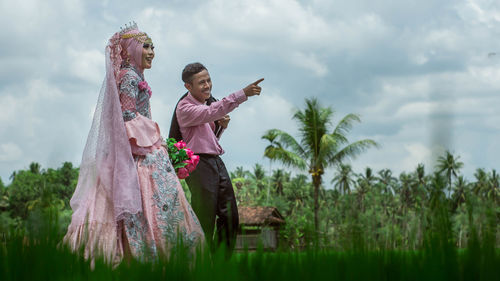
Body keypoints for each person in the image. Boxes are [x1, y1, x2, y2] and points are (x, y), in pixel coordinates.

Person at [64, 23, 204, 264]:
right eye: (146, 46)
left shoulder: (134, 75)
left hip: (141, 146)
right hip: (139, 150)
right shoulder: (129, 76)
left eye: (153, 47)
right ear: (130, 50)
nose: (151, 52)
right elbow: (127, 117)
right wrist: (154, 142)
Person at [169, 62, 263, 252]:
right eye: (201, 82)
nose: (207, 85)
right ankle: (201, 264)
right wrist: (243, 93)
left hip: (215, 161)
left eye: (209, 80)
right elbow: (212, 112)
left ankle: (220, 262)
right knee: (205, 218)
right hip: (198, 165)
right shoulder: (185, 107)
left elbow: (207, 138)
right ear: (188, 86)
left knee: (230, 216)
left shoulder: (206, 104)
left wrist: (221, 127)